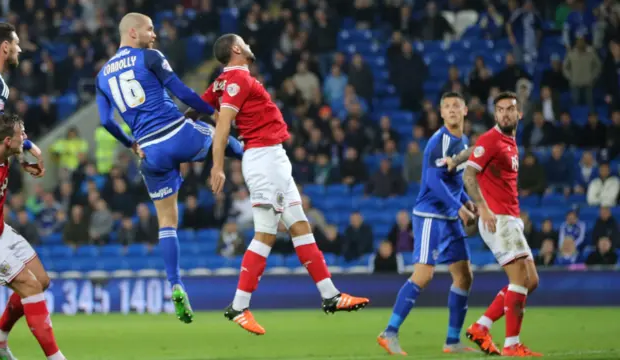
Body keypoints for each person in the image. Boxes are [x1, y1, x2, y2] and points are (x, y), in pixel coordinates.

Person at [204, 33, 369, 335]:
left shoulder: (221, 83)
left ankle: (330, 295)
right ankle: (240, 306)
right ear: (236, 49)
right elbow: (223, 124)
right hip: (265, 159)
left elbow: (198, 106)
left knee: (301, 227)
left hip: (272, 160)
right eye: (245, 42)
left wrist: (176, 122)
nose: (251, 45)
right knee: (266, 235)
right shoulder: (237, 80)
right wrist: (218, 166)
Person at [94, 13, 243, 324]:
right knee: (231, 144)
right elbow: (183, 93)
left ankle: (175, 284)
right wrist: (214, 112)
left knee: (166, 221)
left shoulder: (102, 75)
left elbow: (107, 121)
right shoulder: (149, 56)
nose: (155, 34)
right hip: (175, 132)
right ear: (133, 32)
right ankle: (265, 157)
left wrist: (130, 143)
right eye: (150, 29)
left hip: (148, 151)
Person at [376, 92, 478, 356]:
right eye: (447, 106)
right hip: (431, 215)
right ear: (441, 114)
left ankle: (452, 341)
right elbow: (433, 182)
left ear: (465, 110)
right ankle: (389, 332)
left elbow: (453, 182)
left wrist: (467, 202)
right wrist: (460, 208)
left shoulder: (462, 141)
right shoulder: (438, 142)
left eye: (457, 105)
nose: (452, 110)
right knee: (424, 274)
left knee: (464, 275)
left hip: (450, 215)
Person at [463, 91, 541, 356]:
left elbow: (475, 154)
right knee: (520, 278)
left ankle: (481, 326)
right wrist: (483, 208)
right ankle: (511, 345)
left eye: (510, 109)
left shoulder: (509, 141)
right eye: (500, 109)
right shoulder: (492, 139)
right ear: (495, 114)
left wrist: (456, 157)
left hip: (511, 217)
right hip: (498, 218)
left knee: (531, 280)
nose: (505, 113)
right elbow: (469, 175)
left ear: (519, 114)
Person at [0, 114, 65, 360]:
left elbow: (23, 145)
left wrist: (30, 155)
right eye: (21, 134)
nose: (25, 137)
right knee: (30, 286)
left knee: (41, 280)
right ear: (8, 140)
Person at [0, 22, 45, 177]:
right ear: (5, 47)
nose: (20, 49)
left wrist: (23, 151)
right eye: (17, 44)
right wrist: (23, 146)